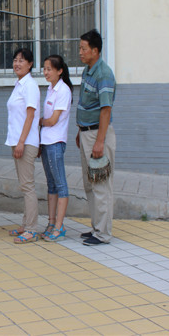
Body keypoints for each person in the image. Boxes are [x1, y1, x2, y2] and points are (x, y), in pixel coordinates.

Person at [76, 29, 116, 246]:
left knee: (101, 185)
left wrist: (99, 142)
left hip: (98, 135)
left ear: (95, 50)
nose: (80, 52)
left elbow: (105, 110)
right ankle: (96, 228)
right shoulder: (88, 71)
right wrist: (80, 131)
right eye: (80, 48)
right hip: (86, 133)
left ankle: (103, 234)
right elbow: (85, 104)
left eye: (84, 49)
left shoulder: (104, 74)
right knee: (90, 184)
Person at [6, 48, 41, 244]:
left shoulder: (30, 86)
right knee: (24, 185)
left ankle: (31, 229)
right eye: (15, 60)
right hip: (18, 141)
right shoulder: (19, 84)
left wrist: (21, 142)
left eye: (21, 60)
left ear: (30, 64)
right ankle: (26, 223)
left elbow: (30, 116)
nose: (17, 63)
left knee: (28, 186)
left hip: (25, 142)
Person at [39, 55, 73, 242]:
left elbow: (52, 120)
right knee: (51, 185)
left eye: (49, 69)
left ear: (59, 71)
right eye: (44, 69)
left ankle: (59, 226)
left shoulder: (63, 90)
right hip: (46, 142)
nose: (46, 72)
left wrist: (39, 121)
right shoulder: (50, 89)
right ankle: (51, 223)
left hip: (55, 142)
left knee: (60, 185)